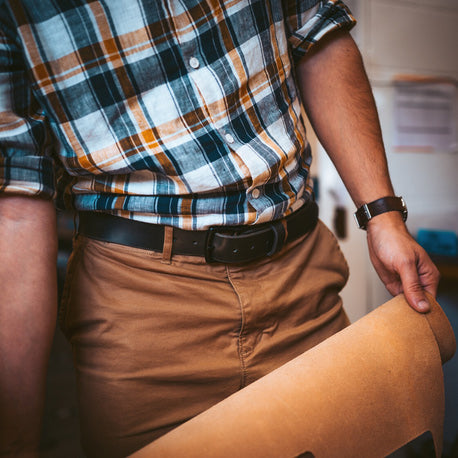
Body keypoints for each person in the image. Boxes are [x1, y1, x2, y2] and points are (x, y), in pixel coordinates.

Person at [0, 0, 439, 456]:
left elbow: (318, 34)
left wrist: (383, 214)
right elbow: (14, 197)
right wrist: (14, 440)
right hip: (141, 311)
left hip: (299, 277)